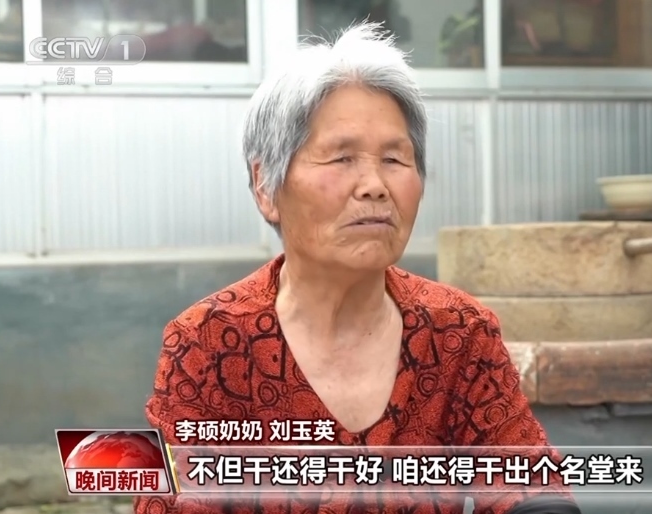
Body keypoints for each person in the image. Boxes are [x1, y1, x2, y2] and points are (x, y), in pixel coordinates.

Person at [134, 22, 579, 514]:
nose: (374, 185)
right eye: (341, 157)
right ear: (265, 186)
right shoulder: (208, 343)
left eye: (395, 159)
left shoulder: (458, 332)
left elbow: (531, 488)